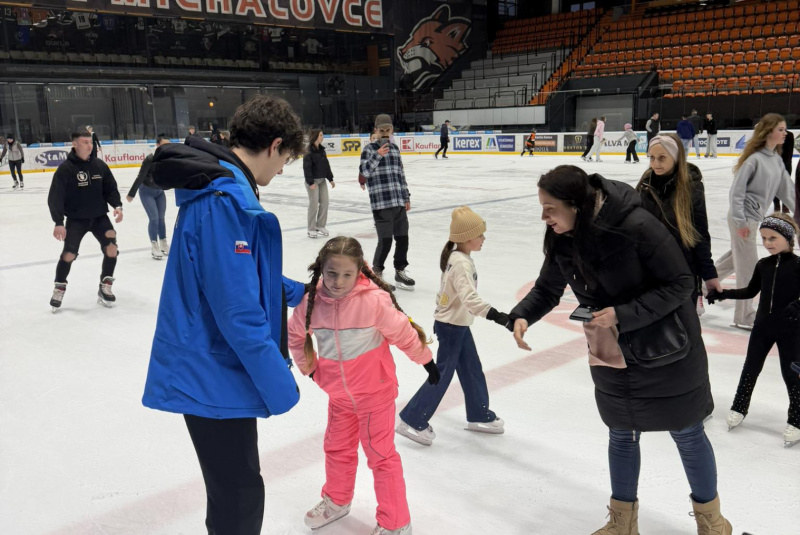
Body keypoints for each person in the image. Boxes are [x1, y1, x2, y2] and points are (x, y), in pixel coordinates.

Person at [509, 165, 730, 535]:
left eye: (550, 208)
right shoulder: (564, 236)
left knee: (688, 433)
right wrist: (522, 316)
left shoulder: (637, 226)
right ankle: (623, 524)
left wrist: (623, 314)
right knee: (622, 434)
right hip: (612, 350)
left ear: (576, 205)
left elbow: (680, 283)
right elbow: (548, 288)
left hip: (667, 349)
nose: (543, 216)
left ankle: (712, 522)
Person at [141, 95, 307, 535]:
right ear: (274, 145)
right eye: (287, 158)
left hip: (218, 369)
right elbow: (237, 310)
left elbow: (239, 278)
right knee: (238, 495)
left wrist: (303, 292)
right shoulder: (221, 200)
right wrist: (281, 383)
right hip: (210, 368)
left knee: (237, 489)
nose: (284, 168)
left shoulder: (229, 190)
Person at [287, 236, 438, 535]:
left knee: (381, 456)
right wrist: (312, 370)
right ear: (321, 269)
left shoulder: (373, 301)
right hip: (339, 397)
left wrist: (426, 361)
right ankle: (337, 500)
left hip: (376, 395)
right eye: (332, 273)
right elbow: (294, 336)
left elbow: (403, 333)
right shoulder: (311, 302)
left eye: (347, 274)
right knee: (336, 448)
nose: (339, 281)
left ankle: (396, 522)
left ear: (359, 272)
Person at [396, 206, 510, 446]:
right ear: (467, 238)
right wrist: (498, 316)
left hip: (455, 324)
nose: (483, 239)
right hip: (451, 327)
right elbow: (469, 298)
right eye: (480, 234)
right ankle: (413, 419)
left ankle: (479, 413)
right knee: (443, 375)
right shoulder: (461, 264)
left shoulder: (458, 257)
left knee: (470, 369)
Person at [707, 213, 800, 448]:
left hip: (790, 330)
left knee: (792, 375)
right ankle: (739, 407)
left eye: (773, 238)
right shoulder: (763, 265)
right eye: (764, 238)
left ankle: (797, 419)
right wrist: (723, 293)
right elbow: (750, 291)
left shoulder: (798, 265)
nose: (767, 243)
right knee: (750, 368)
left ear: (788, 238)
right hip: (762, 327)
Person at [715, 113, 796, 329]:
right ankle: (744, 316)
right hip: (743, 219)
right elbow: (736, 192)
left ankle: (699, 289)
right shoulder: (754, 160)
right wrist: (741, 222)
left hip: (753, 220)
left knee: (733, 261)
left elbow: (788, 191)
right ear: (769, 131)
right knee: (748, 269)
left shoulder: (776, 161)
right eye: (780, 129)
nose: (785, 133)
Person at [637, 134, 722, 306]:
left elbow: (699, 233)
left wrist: (709, 274)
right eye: (652, 158)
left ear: (675, 157)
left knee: (685, 328)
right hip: (649, 268)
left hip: (682, 268)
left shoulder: (691, 186)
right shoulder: (645, 184)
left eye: (662, 158)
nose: (655, 163)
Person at [48, 131, 123, 311]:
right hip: (76, 220)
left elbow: (111, 188)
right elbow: (55, 197)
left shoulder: (99, 166)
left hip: (99, 218)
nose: (90, 145)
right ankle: (59, 287)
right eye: (85, 142)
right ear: (75, 144)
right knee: (69, 254)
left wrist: (117, 206)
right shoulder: (65, 169)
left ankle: (105, 286)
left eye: (91, 142)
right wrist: (58, 222)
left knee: (112, 248)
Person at [359, 113, 415, 291]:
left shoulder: (396, 149)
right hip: (381, 204)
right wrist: (378, 155)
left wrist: (406, 197)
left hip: (398, 202)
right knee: (385, 241)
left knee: (403, 239)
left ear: (392, 130)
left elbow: (401, 175)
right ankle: (377, 274)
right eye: (381, 130)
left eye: (387, 130)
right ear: (375, 130)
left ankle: (400, 270)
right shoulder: (369, 150)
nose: (384, 133)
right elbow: (364, 173)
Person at [126, 135, 171, 259]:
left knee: (161, 218)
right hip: (147, 191)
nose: (166, 147)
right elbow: (141, 176)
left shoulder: (169, 159)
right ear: (157, 146)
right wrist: (131, 193)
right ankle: (154, 245)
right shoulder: (150, 159)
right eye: (163, 145)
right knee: (154, 218)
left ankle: (163, 243)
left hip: (160, 192)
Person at [303, 128, 335, 239]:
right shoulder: (308, 151)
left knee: (325, 202)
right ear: (316, 136)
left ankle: (320, 225)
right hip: (313, 181)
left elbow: (326, 165)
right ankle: (311, 228)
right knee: (314, 204)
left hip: (322, 180)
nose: (323, 137)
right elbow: (307, 168)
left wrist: (330, 178)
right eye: (321, 135)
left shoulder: (322, 150)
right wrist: (310, 182)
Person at [774, 129, 795, 212]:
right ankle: (777, 205)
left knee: (785, 186)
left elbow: (789, 153)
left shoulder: (789, 135)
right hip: (775, 165)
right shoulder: (772, 135)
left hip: (786, 165)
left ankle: (785, 205)